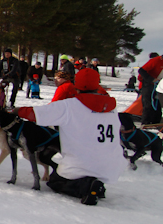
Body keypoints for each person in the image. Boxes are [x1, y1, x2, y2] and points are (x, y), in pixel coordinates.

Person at [14, 68, 124, 205]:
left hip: (82, 163)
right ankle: (96, 186)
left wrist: (17, 111)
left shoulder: (70, 106)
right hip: (112, 164)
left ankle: (86, 187)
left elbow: (36, 114)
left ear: (76, 83)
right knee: (88, 166)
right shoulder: (112, 108)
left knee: (55, 181)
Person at [138, 52, 163, 125]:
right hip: (148, 84)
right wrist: (151, 79)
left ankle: (157, 122)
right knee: (148, 104)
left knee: (159, 104)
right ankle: (146, 122)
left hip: (159, 86)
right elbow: (141, 70)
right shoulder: (156, 60)